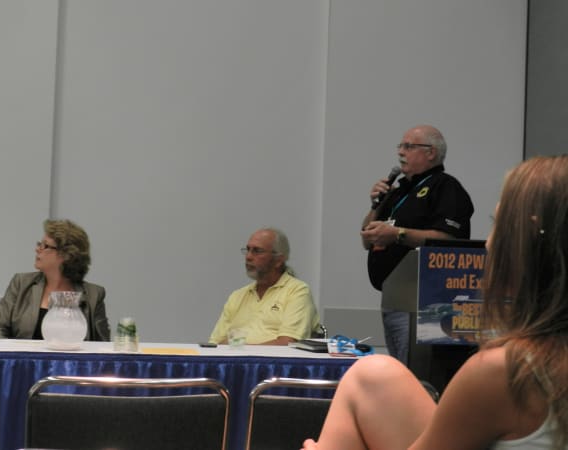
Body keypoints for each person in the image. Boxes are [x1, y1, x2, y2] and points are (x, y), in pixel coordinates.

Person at [303, 155, 568, 450]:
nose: (488, 243)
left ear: (528, 236)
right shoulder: (399, 191)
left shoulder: (504, 372)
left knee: (369, 376)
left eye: (497, 224)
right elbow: (368, 234)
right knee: (373, 376)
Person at [360, 125, 474, 364]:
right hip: (393, 299)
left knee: (415, 372)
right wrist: (376, 206)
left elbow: (449, 240)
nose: (400, 152)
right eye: (400, 146)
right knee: (401, 369)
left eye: (409, 146)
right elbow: (366, 240)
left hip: (424, 305)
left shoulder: (445, 187)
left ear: (431, 152)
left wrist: (397, 234)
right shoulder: (398, 191)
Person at [0, 219, 110, 341]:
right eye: (39, 244)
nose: (37, 249)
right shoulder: (21, 283)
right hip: (22, 354)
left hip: (72, 355)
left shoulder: (94, 295)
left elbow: (102, 344)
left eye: (45, 246)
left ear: (67, 255)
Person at [209, 227, 321, 345]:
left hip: (270, 358)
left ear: (278, 260)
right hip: (233, 356)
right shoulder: (237, 296)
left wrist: (238, 347)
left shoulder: (297, 292)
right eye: (248, 250)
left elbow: (287, 343)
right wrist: (235, 348)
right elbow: (215, 343)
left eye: (257, 251)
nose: (248, 257)